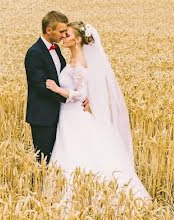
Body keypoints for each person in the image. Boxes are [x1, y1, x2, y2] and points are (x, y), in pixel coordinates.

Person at [46, 21, 150, 201]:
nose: (63, 37)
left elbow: (80, 94)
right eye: (64, 34)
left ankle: (84, 195)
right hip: (68, 115)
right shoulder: (72, 59)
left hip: (74, 115)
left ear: (78, 40)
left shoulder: (79, 61)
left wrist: (57, 89)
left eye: (68, 35)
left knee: (76, 151)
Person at [24, 11, 69, 163]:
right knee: (43, 159)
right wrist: (67, 97)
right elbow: (39, 86)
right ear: (49, 30)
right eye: (61, 31)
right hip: (43, 116)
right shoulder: (34, 53)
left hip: (60, 113)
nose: (64, 35)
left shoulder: (56, 48)